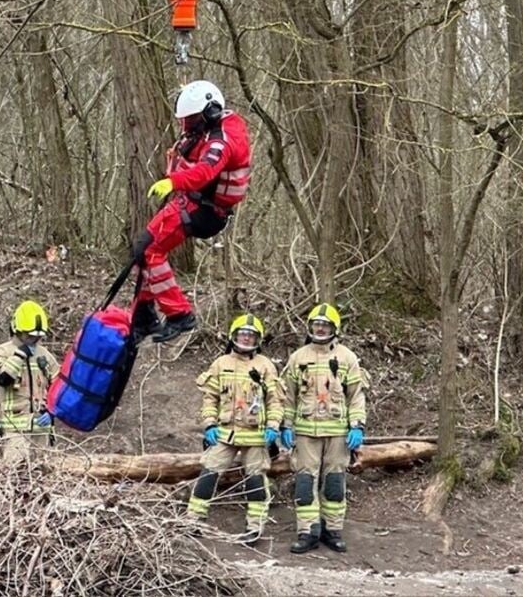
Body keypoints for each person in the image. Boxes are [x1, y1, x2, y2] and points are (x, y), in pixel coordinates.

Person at [131, 80, 253, 343]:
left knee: (150, 250)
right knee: (144, 248)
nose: (187, 126)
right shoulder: (207, 130)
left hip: (205, 211)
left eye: (191, 119)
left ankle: (179, 314)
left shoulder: (222, 140)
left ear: (209, 112)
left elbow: (205, 171)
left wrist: (173, 182)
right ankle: (143, 315)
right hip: (192, 201)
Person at [186, 314, 283, 544]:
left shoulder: (265, 366)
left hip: (256, 435)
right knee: (209, 473)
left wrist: (273, 426)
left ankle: (254, 527)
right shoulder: (221, 364)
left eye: (251, 335)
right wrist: (209, 424)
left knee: (255, 481)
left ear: (258, 339)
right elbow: (210, 398)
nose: (246, 339)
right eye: (242, 334)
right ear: (234, 336)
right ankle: (193, 520)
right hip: (225, 433)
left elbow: (275, 401)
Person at [280, 303, 367, 554]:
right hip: (306, 433)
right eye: (316, 324)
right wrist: (286, 425)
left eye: (325, 325)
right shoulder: (298, 358)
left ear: (334, 328)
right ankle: (308, 532)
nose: (320, 329)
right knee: (305, 482)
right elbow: (288, 397)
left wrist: (357, 426)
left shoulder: (347, 358)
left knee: (334, 482)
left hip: (338, 433)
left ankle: (332, 530)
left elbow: (356, 396)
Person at [0, 300, 60, 466]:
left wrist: (52, 411)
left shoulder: (45, 356)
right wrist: (19, 355)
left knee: (43, 473)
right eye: (30, 335)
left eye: (38, 336)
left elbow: (59, 387)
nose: (35, 340)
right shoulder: (2, 352)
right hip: (14, 432)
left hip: (41, 431)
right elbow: (3, 379)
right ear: (17, 330)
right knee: (15, 473)